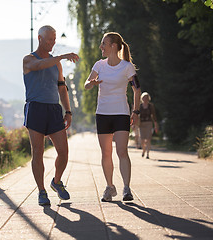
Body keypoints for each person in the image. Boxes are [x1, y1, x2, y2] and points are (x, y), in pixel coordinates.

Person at [22, 25, 79, 206]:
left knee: (63, 152)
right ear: (39, 38)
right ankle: (41, 191)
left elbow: (62, 88)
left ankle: (56, 181)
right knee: (37, 152)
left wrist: (68, 111)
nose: (52, 43)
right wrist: (60, 57)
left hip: (54, 110)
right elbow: (39, 65)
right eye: (49, 39)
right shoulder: (28, 59)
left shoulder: (56, 64)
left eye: (54, 39)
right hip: (35, 109)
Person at [84, 32, 141, 202]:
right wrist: (92, 83)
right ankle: (110, 187)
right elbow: (87, 84)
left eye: (104, 44)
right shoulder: (99, 65)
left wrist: (136, 111)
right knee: (106, 153)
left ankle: (126, 188)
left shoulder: (126, 67)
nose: (101, 47)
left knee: (122, 151)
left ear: (113, 46)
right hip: (102, 113)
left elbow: (137, 89)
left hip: (121, 113)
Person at [139, 92, 158, 159]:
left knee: (148, 139)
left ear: (148, 98)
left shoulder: (150, 106)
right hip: (141, 124)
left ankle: (147, 154)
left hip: (149, 123)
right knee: (142, 139)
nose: (145, 99)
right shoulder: (140, 106)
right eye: (144, 97)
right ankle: (144, 150)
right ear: (142, 98)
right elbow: (136, 115)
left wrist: (155, 125)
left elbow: (154, 116)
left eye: (146, 98)